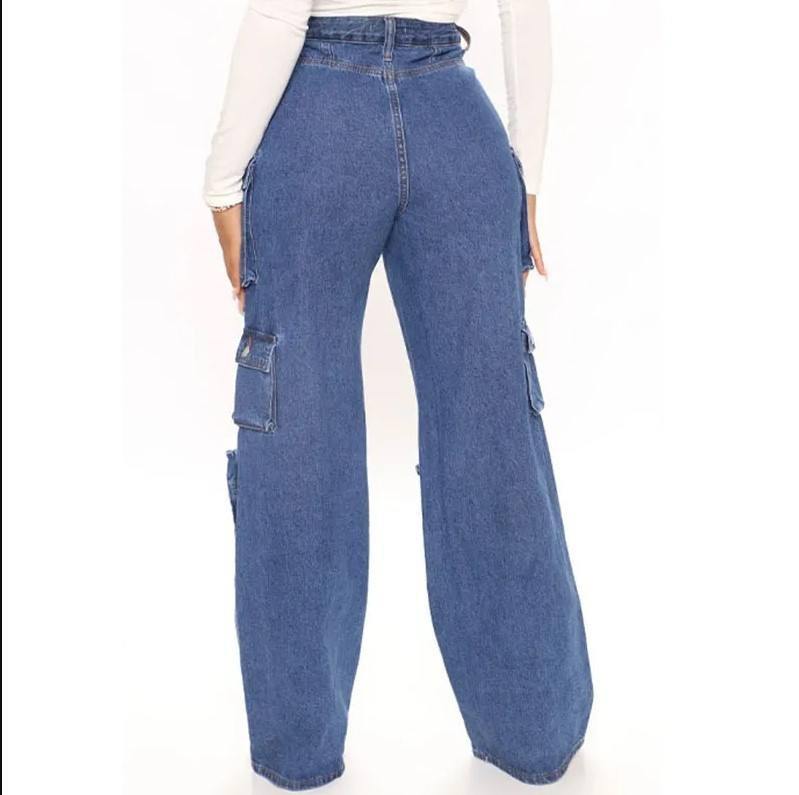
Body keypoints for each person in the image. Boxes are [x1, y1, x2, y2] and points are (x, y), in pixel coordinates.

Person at [205, 1, 592, 790]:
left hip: (317, 114)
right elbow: (525, 12)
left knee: (295, 421)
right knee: (492, 423)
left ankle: (299, 750)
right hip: (454, 116)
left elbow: (280, 13)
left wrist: (221, 183)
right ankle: (534, 733)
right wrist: (525, 177)